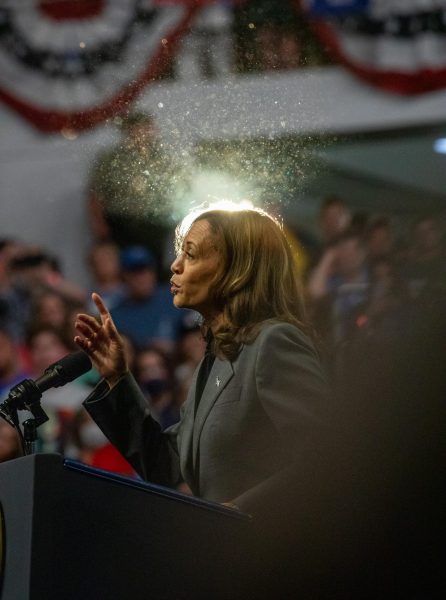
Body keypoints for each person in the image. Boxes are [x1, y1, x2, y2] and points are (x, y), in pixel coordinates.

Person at [74, 208, 328, 513]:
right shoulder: (215, 362)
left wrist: (239, 512)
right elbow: (167, 467)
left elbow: (323, 458)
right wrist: (117, 379)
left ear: (235, 268)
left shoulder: (273, 342)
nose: (175, 265)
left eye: (191, 255)